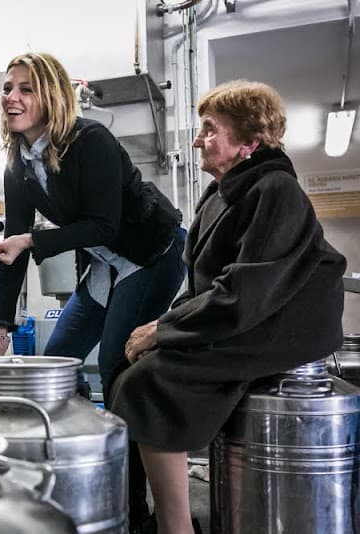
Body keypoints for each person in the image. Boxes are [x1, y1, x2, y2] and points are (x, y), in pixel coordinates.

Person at [109, 80, 346, 534]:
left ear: (248, 142)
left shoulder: (276, 190)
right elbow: (202, 284)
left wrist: (163, 330)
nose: (198, 138)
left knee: (149, 381)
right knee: (128, 367)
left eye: (210, 129)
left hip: (282, 323)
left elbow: (245, 292)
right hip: (250, 312)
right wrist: (162, 326)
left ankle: (174, 527)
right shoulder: (221, 194)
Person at [0, 52, 186, 531]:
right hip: (104, 265)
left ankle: (134, 511)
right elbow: (13, 243)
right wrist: (0, 324)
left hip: (151, 253)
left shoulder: (89, 139)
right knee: (58, 364)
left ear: (50, 94)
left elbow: (102, 224)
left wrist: (32, 240)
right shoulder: (18, 165)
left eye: (26, 89)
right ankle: (77, 476)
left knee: (118, 371)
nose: (12, 97)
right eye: (8, 87)